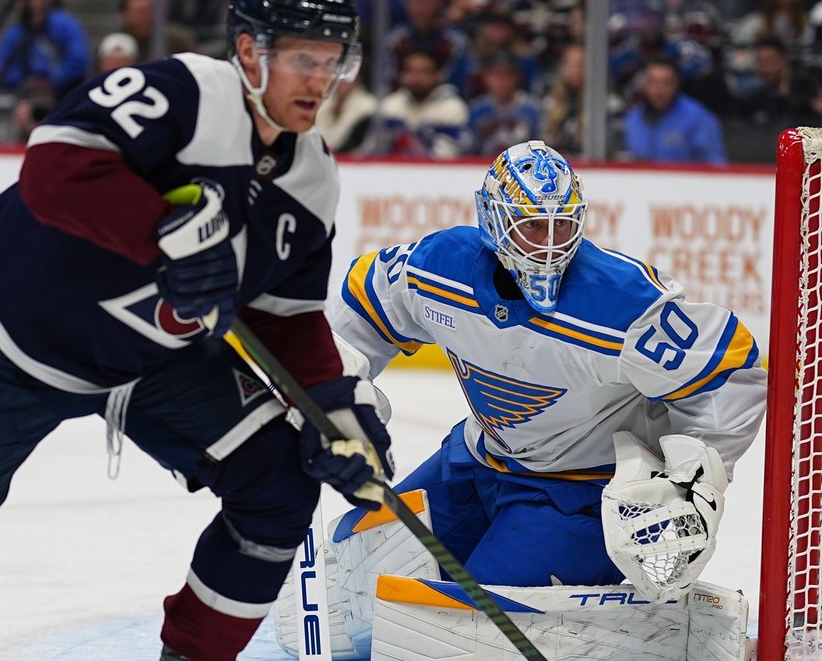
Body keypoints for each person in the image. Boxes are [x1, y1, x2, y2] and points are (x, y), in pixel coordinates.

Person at [0, 0, 394, 661]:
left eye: (332, 62)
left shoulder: (312, 178)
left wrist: (335, 409)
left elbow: (286, 318)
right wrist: (162, 234)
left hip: (156, 361)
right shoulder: (185, 93)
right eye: (303, 58)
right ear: (248, 51)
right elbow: (55, 165)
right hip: (26, 340)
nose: (319, 81)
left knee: (278, 490)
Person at [317, 140, 766, 655]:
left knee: (463, 640)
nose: (550, 245)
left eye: (563, 226)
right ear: (493, 219)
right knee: (346, 590)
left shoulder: (621, 303)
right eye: (533, 226)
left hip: (579, 494)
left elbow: (730, 375)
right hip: (475, 463)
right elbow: (362, 307)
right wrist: (335, 394)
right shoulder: (437, 267)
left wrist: (690, 480)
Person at [0, 0, 91, 99]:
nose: (31, 6)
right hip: (25, 95)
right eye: (25, 0)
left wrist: (51, 82)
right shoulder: (14, 33)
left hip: (63, 92)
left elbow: (79, 60)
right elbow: (4, 69)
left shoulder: (65, 25)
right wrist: (27, 84)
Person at [621, 54, 727, 164]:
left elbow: (715, 167)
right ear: (644, 84)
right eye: (653, 82)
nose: (659, 90)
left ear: (676, 83)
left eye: (666, 83)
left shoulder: (699, 118)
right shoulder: (632, 119)